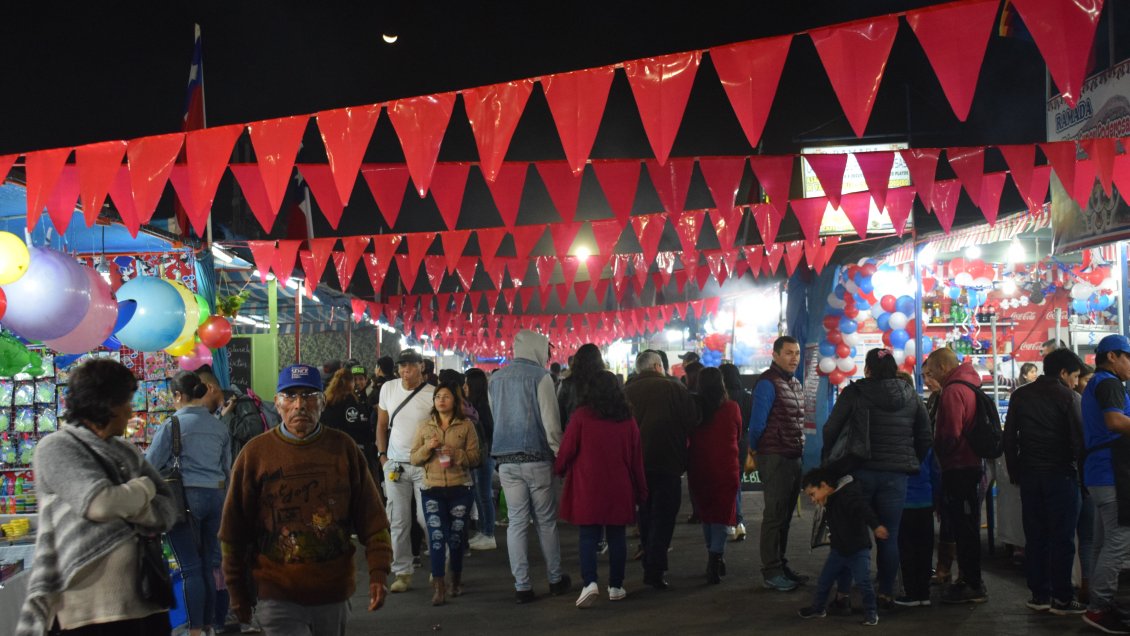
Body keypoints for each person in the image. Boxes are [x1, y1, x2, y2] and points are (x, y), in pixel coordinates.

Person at [220, 364, 392, 634]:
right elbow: (233, 530)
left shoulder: (343, 448)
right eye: (290, 396)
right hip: (276, 593)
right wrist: (237, 591)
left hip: (332, 592)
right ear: (277, 404)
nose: (299, 404)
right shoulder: (255, 454)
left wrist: (379, 573)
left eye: (309, 396)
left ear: (323, 403)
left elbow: (373, 519)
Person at [17, 359, 179, 636]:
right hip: (88, 612)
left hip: (146, 600)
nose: (131, 411)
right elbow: (100, 504)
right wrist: (143, 489)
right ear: (105, 403)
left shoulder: (126, 451)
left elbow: (168, 508)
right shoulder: (56, 448)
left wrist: (128, 502)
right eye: (126, 402)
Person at [820, 348, 931, 610]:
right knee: (889, 536)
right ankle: (886, 593)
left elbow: (831, 429)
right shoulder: (911, 396)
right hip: (896, 477)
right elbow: (926, 437)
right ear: (894, 369)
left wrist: (834, 462)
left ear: (868, 369)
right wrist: (908, 459)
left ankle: (844, 595)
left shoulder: (855, 392)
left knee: (852, 534)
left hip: (859, 473)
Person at [146, 370, 232, 636]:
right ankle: (208, 625)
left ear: (178, 396)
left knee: (190, 567)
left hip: (184, 499)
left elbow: (149, 465)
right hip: (216, 497)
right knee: (209, 564)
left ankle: (194, 630)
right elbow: (227, 469)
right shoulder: (218, 425)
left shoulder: (172, 424)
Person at [488, 329, 571, 603]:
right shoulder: (542, 378)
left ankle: (522, 586)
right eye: (546, 350)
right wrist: (561, 456)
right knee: (546, 522)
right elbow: (551, 423)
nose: (548, 356)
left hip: (507, 461)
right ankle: (556, 579)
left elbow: (495, 417)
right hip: (537, 460)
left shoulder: (496, 379)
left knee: (516, 523)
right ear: (536, 349)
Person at [1003, 348, 1086, 616]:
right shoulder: (1068, 396)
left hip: (1029, 475)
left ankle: (1039, 594)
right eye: (1074, 376)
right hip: (1061, 475)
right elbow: (1078, 440)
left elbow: (1009, 438)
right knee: (1062, 538)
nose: (1075, 382)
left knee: (1036, 536)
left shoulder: (1020, 395)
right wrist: (1082, 475)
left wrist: (1015, 470)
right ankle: (1062, 598)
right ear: (1063, 373)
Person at [555, 370, 647, 608]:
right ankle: (616, 586)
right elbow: (637, 460)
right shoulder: (627, 418)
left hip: (588, 485)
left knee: (588, 535)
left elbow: (566, 450)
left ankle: (590, 583)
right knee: (617, 536)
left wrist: (559, 468)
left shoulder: (581, 416)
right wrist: (642, 490)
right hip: (620, 485)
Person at [623, 350, 701, 590]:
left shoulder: (626, 391)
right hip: (668, 461)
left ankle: (648, 555)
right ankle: (654, 568)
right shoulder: (675, 388)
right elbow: (692, 420)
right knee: (664, 516)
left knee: (644, 513)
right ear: (658, 366)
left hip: (636, 464)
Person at [924, 347, 988, 604]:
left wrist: (937, 451)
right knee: (966, 526)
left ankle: (973, 583)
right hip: (971, 466)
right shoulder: (970, 384)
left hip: (958, 467)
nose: (929, 378)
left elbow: (950, 434)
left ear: (941, 367)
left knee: (964, 528)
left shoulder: (952, 391)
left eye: (931, 371)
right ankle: (968, 579)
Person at [410, 382, 481, 606]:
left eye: (446, 396)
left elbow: (476, 458)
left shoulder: (466, 426)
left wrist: (457, 454)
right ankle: (439, 585)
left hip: (461, 489)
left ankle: (455, 580)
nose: (441, 400)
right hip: (432, 490)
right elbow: (414, 458)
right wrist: (427, 448)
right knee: (437, 538)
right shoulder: (424, 426)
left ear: (455, 401)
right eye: (437, 396)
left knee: (457, 538)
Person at [1080, 335, 1130, 633]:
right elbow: (1114, 422)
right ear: (1112, 356)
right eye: (1128, 357)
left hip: (1099, 473)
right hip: (1111, 472)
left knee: (1102, 541)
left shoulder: (1095, 384)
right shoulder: (1110, 383)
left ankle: (1098, 602)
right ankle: (1098, 608)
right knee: (1119, 540)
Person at [376, 349, 436, 593]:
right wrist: (382, 456)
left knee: (427, 518)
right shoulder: (387, 389)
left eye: (410, 366)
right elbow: (381, 425)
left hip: (425, 466)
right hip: (395, 466)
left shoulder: (433, 394)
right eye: (401, 366)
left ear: (421, 367)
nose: (405, 370)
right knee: (398, 521)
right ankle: (402, 572)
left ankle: (439, 568)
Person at [750, 336, 807, 592]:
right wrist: (755, 449)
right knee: (774, 515)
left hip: (793, 455)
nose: (794, 357)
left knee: (784, 516)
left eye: (796, 353)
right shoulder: (767, 383)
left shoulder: (794, 383)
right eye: (788, 353)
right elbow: (757, 424)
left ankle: (780, 565)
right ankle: (771, 571)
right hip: (775, 456)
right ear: (775, 355)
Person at [797, 467, 888, 627]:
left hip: (858, 549)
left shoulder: (848, 495)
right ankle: (818, 609)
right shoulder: (829, 498)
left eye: (812, 494)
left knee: (863, 582)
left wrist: (876, 526)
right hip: (838, 550)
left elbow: (864, 510)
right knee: (824, 580)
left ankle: (871, 613)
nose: (812, 500)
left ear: (824, 485)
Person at [687, 367, 742, 585]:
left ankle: (714, 554)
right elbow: (737, 433)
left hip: (699, 466)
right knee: (721, 514)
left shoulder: (694, 408)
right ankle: (715, 557)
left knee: (706, 512)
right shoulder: (731, 407)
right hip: (726, 467)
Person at [321, 362, 378, 478]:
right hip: (350, 450)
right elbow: (355, 424)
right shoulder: (349, 399)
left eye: (360, 379)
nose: (357, 383)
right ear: (349, 382)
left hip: (329, 450)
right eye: (354, 380)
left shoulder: (327, 399)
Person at [464, 368, 498, 551]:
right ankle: (484, 530)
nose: (464, 387)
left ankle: (489, 533)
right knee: (479, 494)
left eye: (466, 383)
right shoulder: (474, 404)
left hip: (485, 456)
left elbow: (489, 430)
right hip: (480, 455)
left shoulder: (482, 407)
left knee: (484, 495)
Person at [720, 363, 752, 542]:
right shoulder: (747, 398)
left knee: (727, 485)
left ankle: (733, 521)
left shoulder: (721, 398)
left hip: (725, 443)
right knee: (736, 483)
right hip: (743, 443)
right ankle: (737, 522)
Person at [557, 343, 605, 430]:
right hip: (598, 432)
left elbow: (560, 415)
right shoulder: (604, 381)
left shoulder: (567, 384)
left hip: (573, 432)